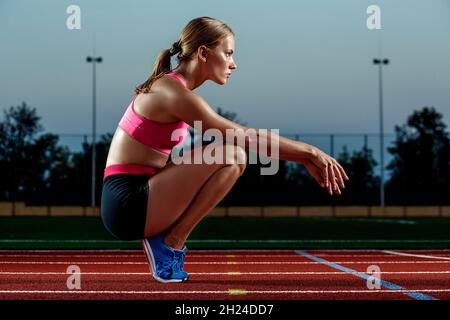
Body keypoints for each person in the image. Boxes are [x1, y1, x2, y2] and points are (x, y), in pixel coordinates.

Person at [100, 16, 349, 283]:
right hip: (127, 204)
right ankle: (169, 243)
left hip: (140, 195)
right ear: (203, 53)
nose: (233, 63)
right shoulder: (172, 92)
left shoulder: (173, 87)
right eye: (228, 53)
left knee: (229, 157)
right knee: (232, 154)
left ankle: (167, 241)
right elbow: (243, 136)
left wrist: (302, 156)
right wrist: (309, 152)